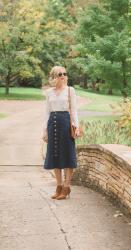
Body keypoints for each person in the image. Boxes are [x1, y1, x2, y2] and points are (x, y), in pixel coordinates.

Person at [42, 65, 80, 200]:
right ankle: (58, 186)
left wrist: (77, 127)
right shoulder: (49, 92)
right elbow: (46, 112)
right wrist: (45, 130)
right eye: (60, 74)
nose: (63, 76)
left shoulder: (70, 90)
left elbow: (74, 110)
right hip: (53, 124)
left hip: (65, 124)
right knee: (55, 154)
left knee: (68, 154)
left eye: (64, 73)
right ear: (54, 77)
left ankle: (66, 186)